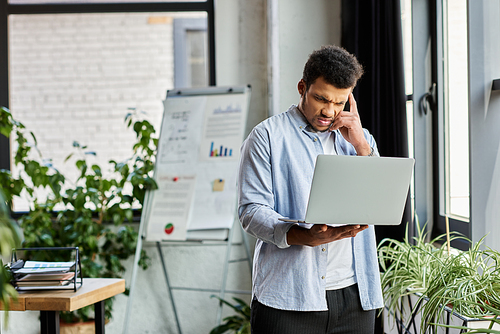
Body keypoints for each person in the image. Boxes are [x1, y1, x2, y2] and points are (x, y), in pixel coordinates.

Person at [237, 45, 384, 334]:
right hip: (288, 297)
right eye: (321, 98)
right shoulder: (267, 136)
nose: (329, 111)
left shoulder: (360, 140)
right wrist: (302, 235)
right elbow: (251, 211)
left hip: (355, 295)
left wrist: (361, 146)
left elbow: (380, 200)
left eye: (340, 103)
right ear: (302, 87)